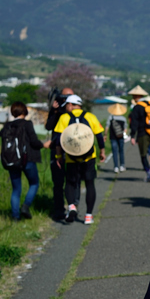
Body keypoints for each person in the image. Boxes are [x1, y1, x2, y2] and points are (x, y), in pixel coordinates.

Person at [52, 94, 106, 225]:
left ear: (70, 105)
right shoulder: (90, 116)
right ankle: (88, 216)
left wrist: (58, 157)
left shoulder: (64, 118)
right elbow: (99, 136)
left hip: (71, 157)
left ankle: (71, 206)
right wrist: (102, 151)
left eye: (67, 106)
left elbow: (58, 140)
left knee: (70, 183)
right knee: (89, 184)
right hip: (88, 157)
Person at [0, 101, 49, 220]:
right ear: (25, 112)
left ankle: (15, 217)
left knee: (16, 189)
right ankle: (25, 206)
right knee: (34, 183)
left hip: (12, 160)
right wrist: (44, 145)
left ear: (13, 112)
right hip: (28, 159)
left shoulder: (7, 126)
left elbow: (1, 134)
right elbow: (34, 141)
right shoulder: (27, 124)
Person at [45, 87, 74, 220]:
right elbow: (49, 126)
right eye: (65, 97)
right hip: (56, 149)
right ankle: (59, 209)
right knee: (58, 182)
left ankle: (73, 206)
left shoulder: (75, 112)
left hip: (72, 149)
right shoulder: (56, 111)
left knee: (73, 179)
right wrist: (54, 111)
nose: (68, 101)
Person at [129, 85, 150, 181]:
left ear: (135, 96)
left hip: (143, 133)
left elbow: (134, 122)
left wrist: (132, 136)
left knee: (143, 155)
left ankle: (148, 173)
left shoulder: (137, 107)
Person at [107, 103, 128, 173]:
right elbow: (125, 128)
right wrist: (124, 135)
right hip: (121, 137)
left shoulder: (111, 117)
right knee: (121, 151)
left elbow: (107, 127)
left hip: (113, 137)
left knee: (114, 152)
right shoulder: (123, 119)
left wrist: (105, 135)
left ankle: (116, 167)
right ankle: (122, 165)